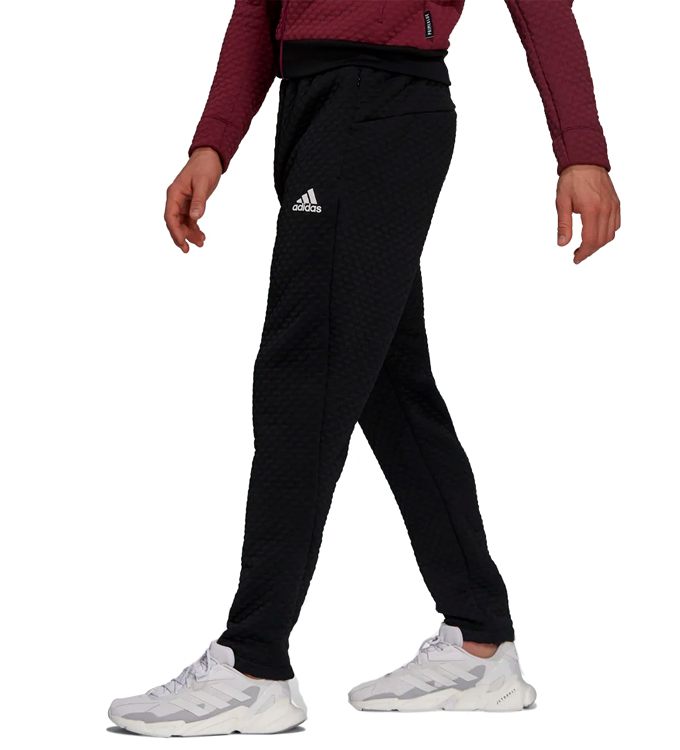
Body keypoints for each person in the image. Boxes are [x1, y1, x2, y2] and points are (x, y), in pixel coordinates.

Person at [110, 1, 619, 736]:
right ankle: (479, 638)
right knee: (389, 383)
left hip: (380, 102)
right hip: (313, 106)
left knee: (301, 375)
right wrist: (213, 143)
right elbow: (259, 9)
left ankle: (254, 664)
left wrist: (582, 151)